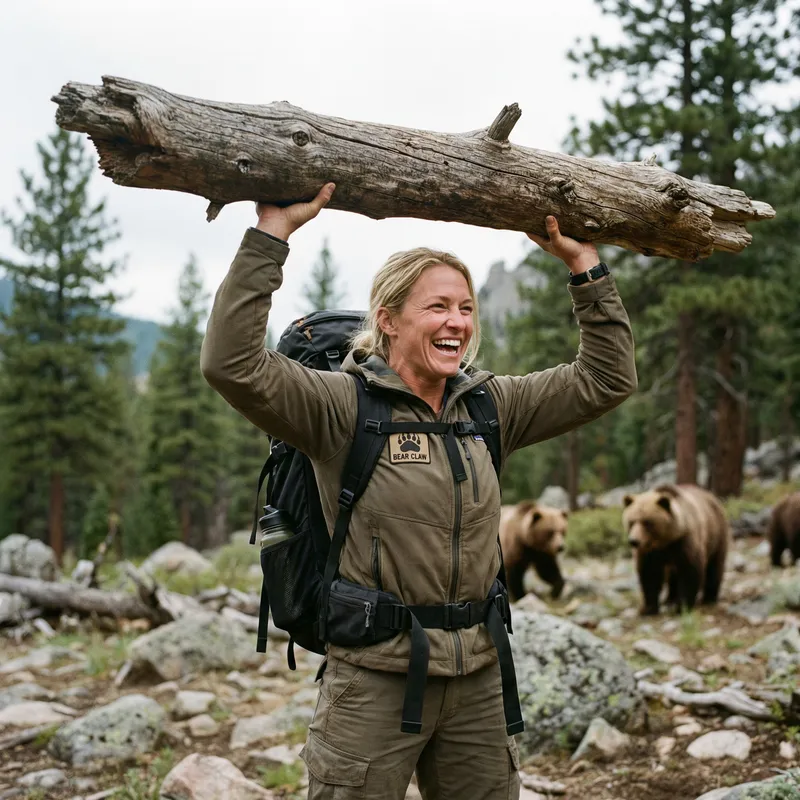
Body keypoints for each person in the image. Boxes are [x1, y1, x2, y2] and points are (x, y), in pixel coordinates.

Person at [201, 182, 637, 800]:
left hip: (479, 679)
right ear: (388, 319)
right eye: (436, 307)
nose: (456, 322)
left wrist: (584, 267)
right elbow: (232, 365)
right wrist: (271, 235)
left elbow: (607, 378)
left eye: (464, 308)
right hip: (373, 681)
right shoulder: (340, 407)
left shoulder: (491, 405)